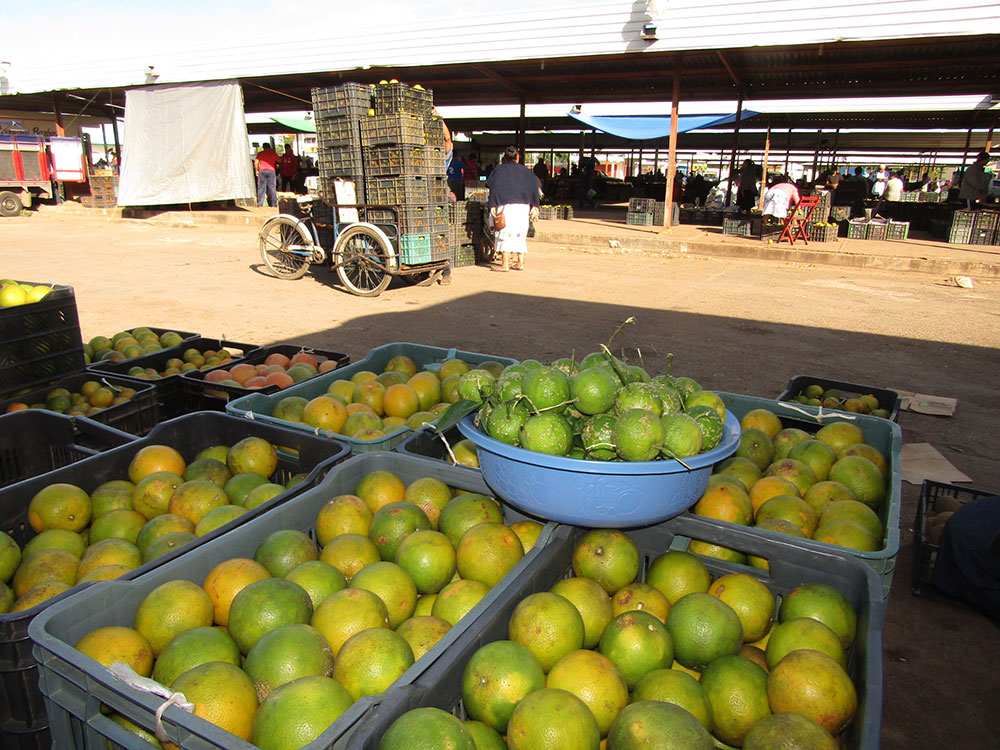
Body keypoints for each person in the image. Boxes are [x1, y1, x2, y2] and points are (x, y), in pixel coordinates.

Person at [486, 145, 540, 272]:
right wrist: (535, 205)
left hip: (505, 207)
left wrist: (492, 204)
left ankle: (505, 264)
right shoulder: (528, 172)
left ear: (504, 157)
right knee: (520, 234)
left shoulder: (498, 171)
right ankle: (520, 263)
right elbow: (534, 189)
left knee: (504, 234)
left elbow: (493, 187)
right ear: (517, 157)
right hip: (523, 207)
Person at [255, 143, 279, 207]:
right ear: (270, 147)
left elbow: (256, 162)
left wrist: (257, 170)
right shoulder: (273, 153)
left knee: (261, 187)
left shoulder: (260, 153)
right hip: (271, 171)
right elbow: (279, 160)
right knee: (272, 187)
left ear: (263, 147)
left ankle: (260, 204)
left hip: (262, 171)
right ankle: (274, 204)